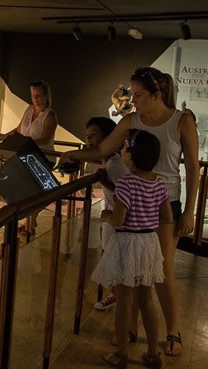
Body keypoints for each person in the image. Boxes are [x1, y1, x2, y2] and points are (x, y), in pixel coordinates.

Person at [59, 66, 199, 357]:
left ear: (157, 94)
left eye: (138, 95)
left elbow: (193, 168)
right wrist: (72, 153)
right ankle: (131, 328)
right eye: (132, 95)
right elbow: (102, 151)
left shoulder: (181, 121)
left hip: (165, 203)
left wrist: (189, 212)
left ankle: (172, 331)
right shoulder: (131, 120)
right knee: (134, 271)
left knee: (162, 271)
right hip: (134, 199)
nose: (133, 101)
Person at [92, 129, 172, 369]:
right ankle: (151, 354)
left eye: (125, 148)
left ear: (132, 155)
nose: (122, 151)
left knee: (124, 301)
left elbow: (118, 220)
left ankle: (122, 354)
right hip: (149, 243)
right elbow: (166, 216)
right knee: (147, 299)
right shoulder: (159, 183)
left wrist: (106, 215)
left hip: (127, 244)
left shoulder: (127, 183)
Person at [0, 80, 58, 234]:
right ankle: (30, 223)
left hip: (43, 157)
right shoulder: (28, 110)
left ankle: (30, 223)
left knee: (36, 192)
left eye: (38, 95)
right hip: (26, 155)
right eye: (33, 95)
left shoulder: (50, 116)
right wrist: (1, 138)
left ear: (46, 96)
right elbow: (18, 130)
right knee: (26, 191)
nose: (35, 99)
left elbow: (45, 139)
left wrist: (26, 143)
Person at [84, 117, 130, 311]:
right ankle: (115, 293)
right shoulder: (110, 164)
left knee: (115, 258)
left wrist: (111, 216)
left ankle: (119, 296)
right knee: (110, 256)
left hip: (116, 220)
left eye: (93, 135)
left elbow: (126, 194)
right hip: (111, 219)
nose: (88, 141)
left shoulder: (115, 165)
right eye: (87, 136)